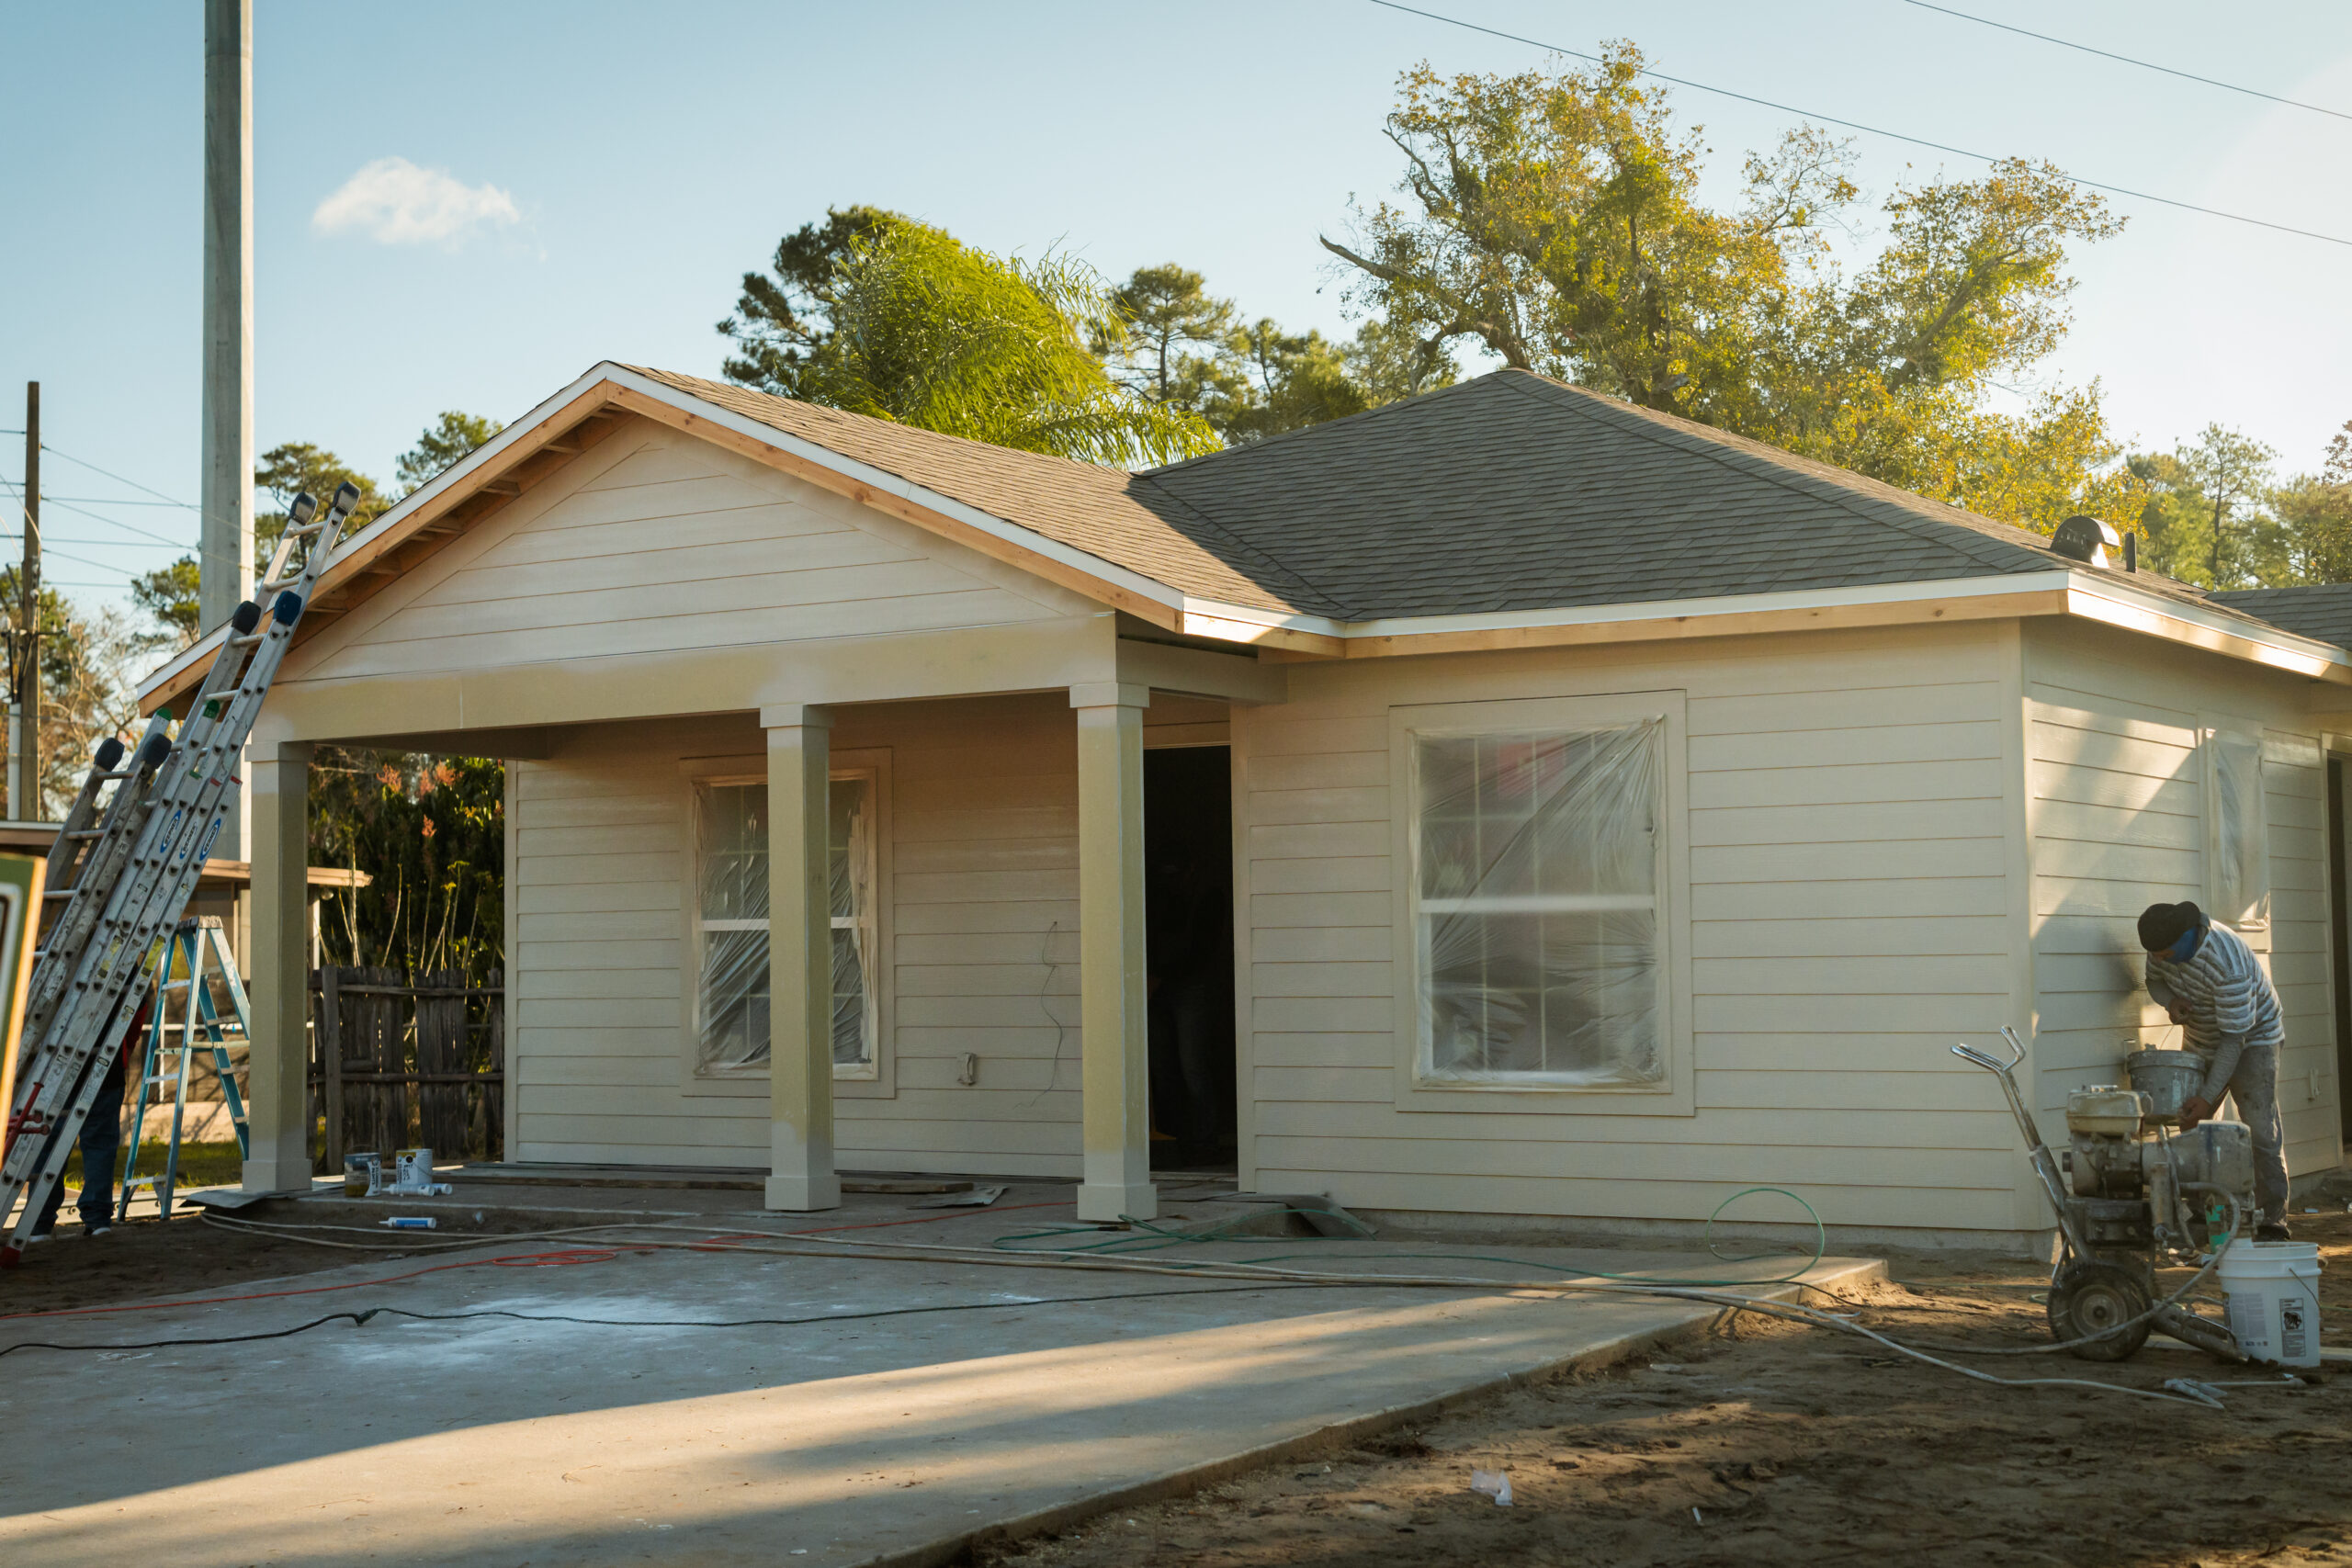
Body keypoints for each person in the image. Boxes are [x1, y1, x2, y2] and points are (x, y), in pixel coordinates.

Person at [2138, 899, 2290, 1240]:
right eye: (2154, 955)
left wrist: (2207, 1097)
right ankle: (2206, 1215)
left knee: (2260, 1130)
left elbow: (2234, 1041)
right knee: (2191, 1124)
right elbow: (2154, 981)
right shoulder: (2160, 944)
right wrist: (2170, 1001)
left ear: (2186, 938)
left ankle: (2272, 1221)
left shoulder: (2227, 965)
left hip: (2253, 1040)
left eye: (2164, 954)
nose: (2158, 960)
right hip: (2202, 1038)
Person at [28, 995, 151, 1242]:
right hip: (105, 1070)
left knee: (47, 1145)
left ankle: (39, 1225)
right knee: (100, 1146)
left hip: (56, 1073)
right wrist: (125, 1051)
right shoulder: (127, 974)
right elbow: (137, 1012)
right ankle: (98, 1222)